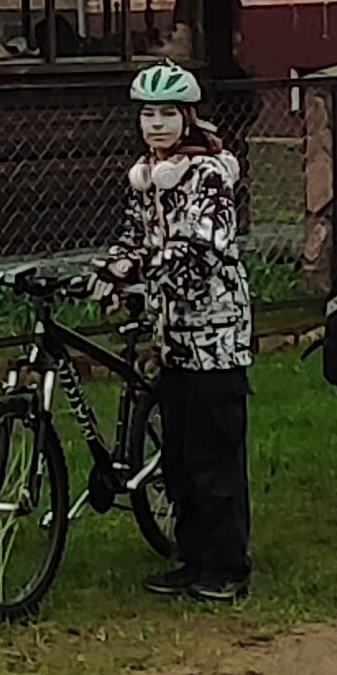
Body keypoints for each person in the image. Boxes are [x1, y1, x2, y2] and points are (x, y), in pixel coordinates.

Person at [101, 60, 253, 602]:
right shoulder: (147, 175)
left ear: (188, 117)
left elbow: (201, 250)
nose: (157, 124)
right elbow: (132, 236)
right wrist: (113, 268)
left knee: (215, 456)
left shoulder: (209, 175)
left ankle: (228, 566)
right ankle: (191, 558)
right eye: (148, 114)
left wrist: (142, 274)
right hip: (172, 339)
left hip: (215, 335)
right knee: (179, 457)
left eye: (167, 114)